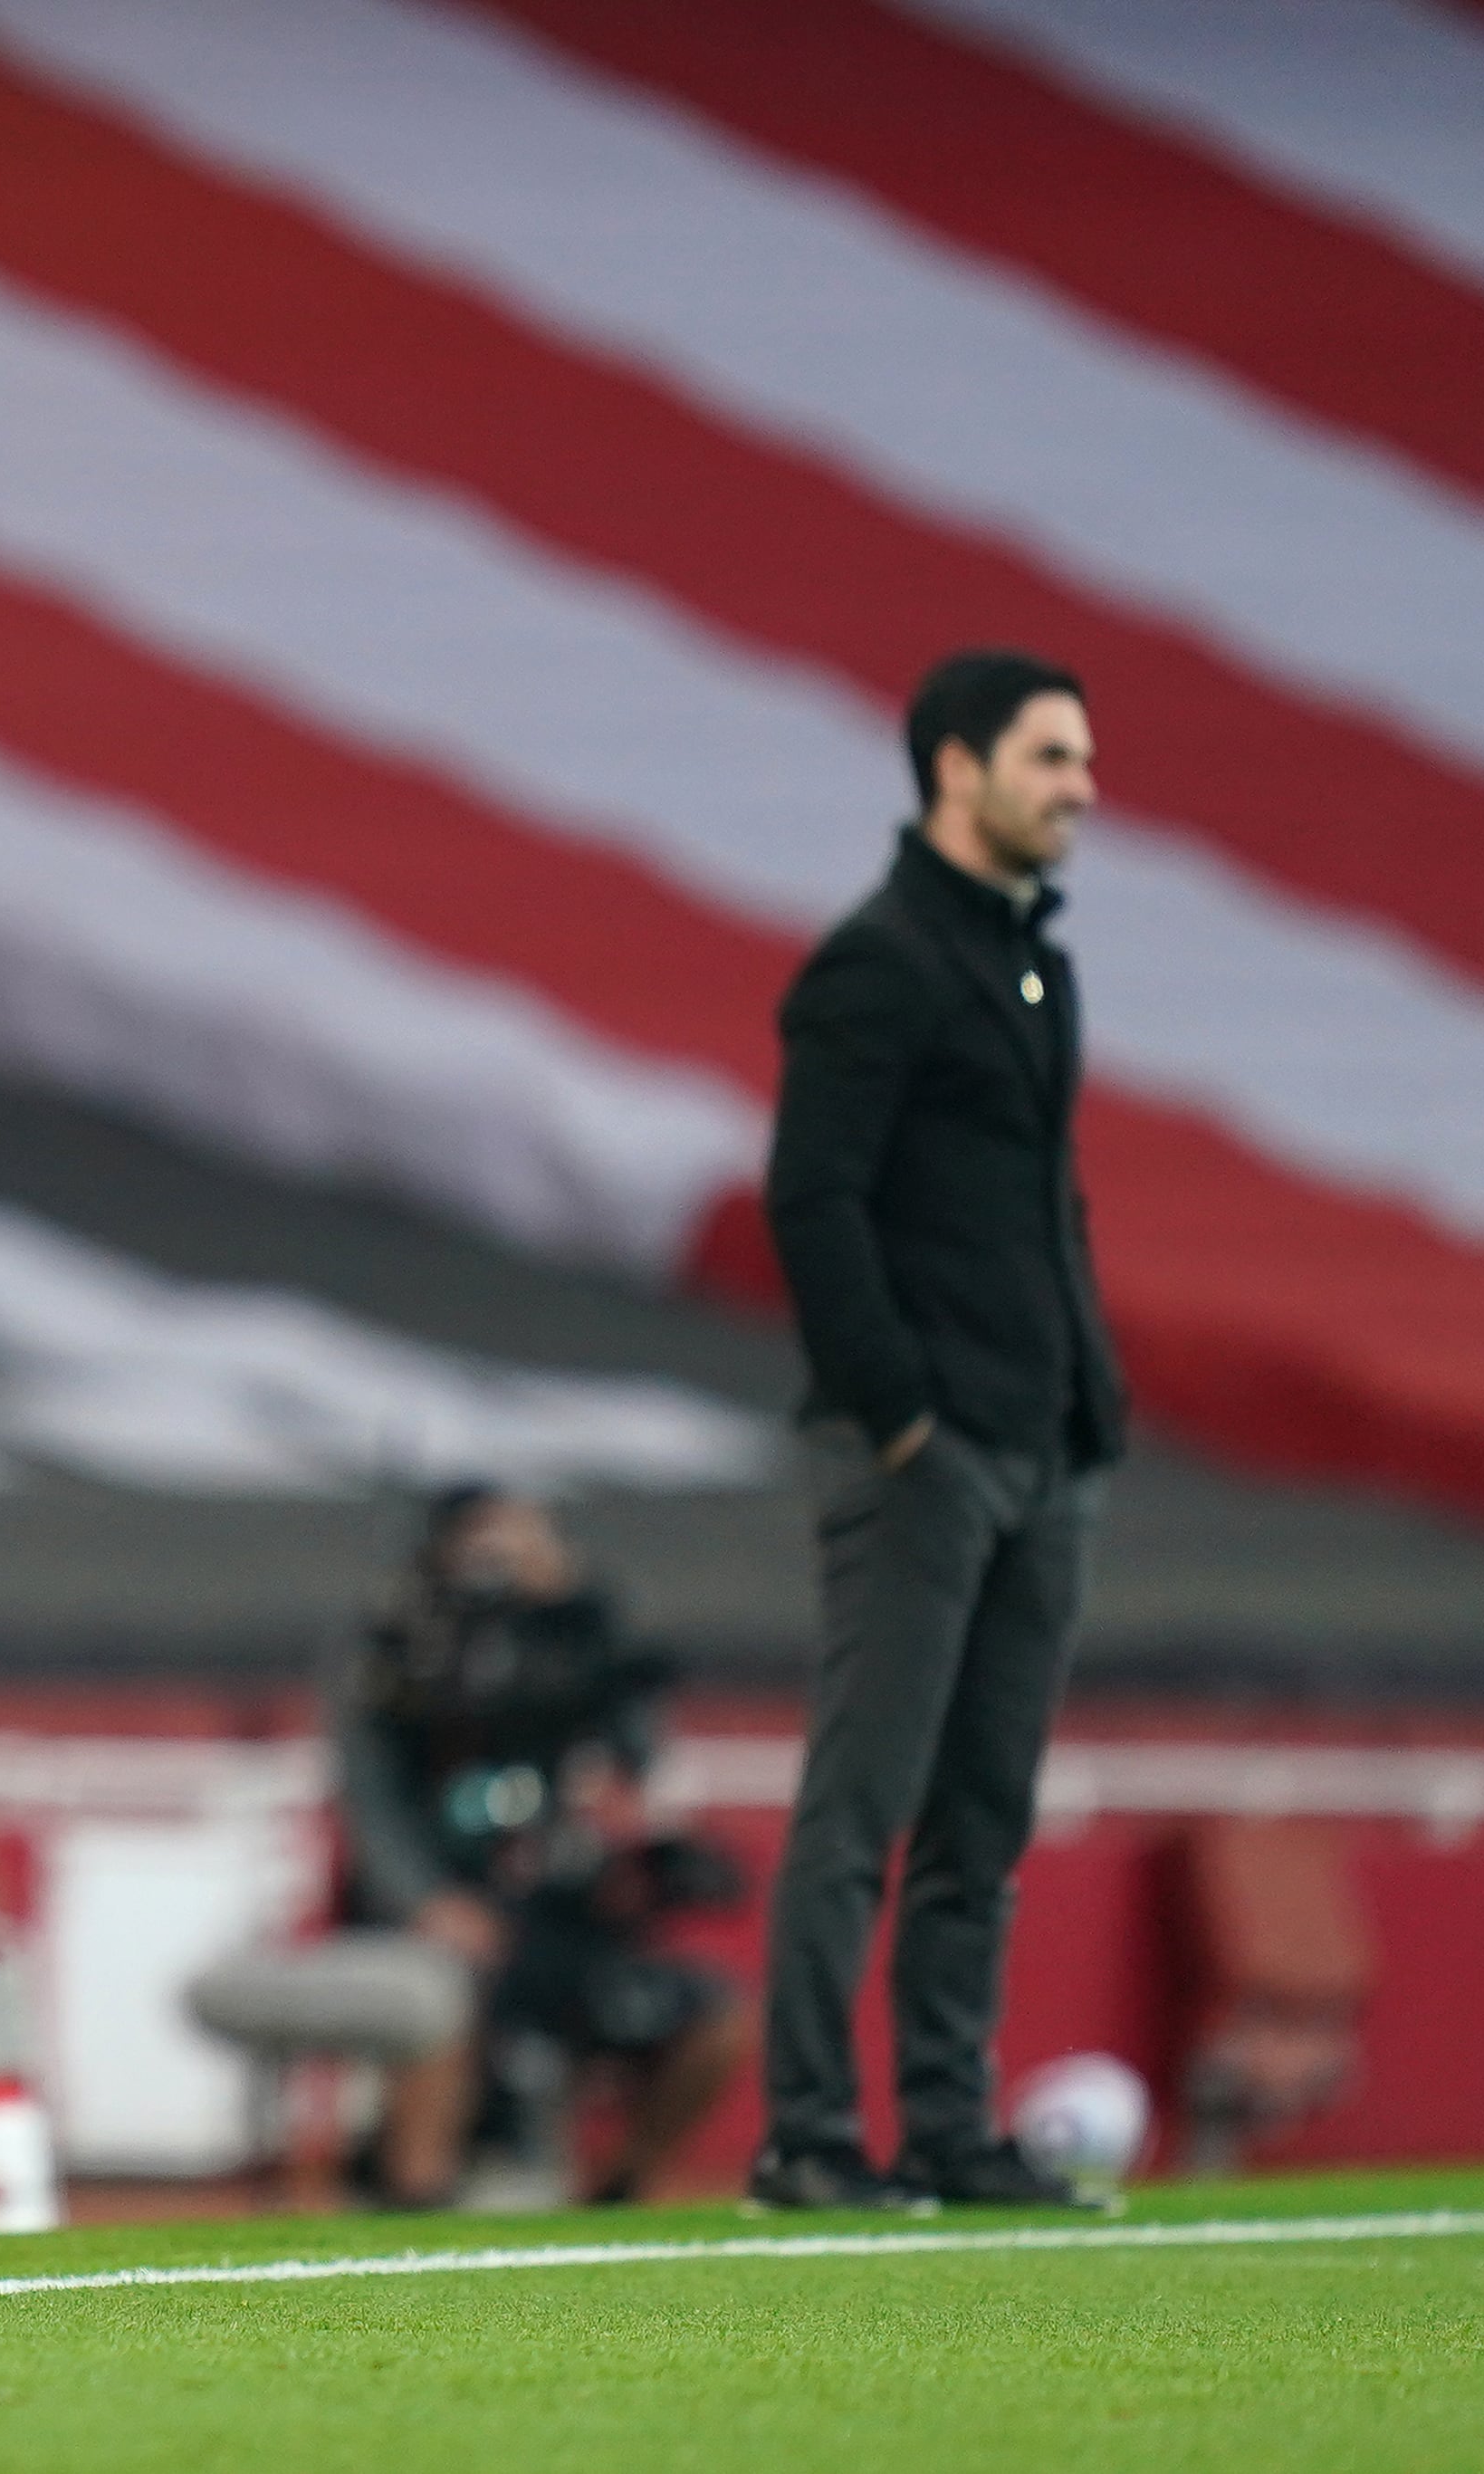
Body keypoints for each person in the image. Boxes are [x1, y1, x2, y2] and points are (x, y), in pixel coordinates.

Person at [750, 649, 1123, 2217]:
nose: (1080, 788)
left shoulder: (1030, 962)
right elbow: (807, 1198)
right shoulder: (879, 961)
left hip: (1038, 1446)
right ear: (953, 769)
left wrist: (1085, 1401)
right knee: (867, 1800)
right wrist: (897, 1411)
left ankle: (949, 2128)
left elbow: (1043, 1203)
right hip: (927, 1452)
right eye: (1050, 756)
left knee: (982, 1813)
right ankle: (809, 2137)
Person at [334, 1487, 747, 2210]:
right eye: (484, 1546)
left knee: (720, 2016)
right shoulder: (402, 1656)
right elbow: (374, 1806)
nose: (501, 1566)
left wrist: (572, 1608)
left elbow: (635, 1756)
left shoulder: (582, 1646)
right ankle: (412, 2209)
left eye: (523, 1543)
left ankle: (620, 2190)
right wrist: (429, 1900)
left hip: (559, 1922)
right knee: (439, 1998)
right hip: (445, 1918)